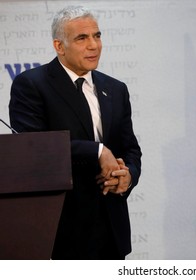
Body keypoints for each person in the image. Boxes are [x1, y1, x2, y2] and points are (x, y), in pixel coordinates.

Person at [8, 5, 142, 260]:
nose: (94, 45)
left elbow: (130, 149)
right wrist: (98, 151)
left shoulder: (115, 89)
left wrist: (128, 177)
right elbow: (34, 147)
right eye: (82, 38)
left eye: (97, 35)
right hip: (62, 230)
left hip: (111, 230)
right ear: (59, 46)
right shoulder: (32, 85)